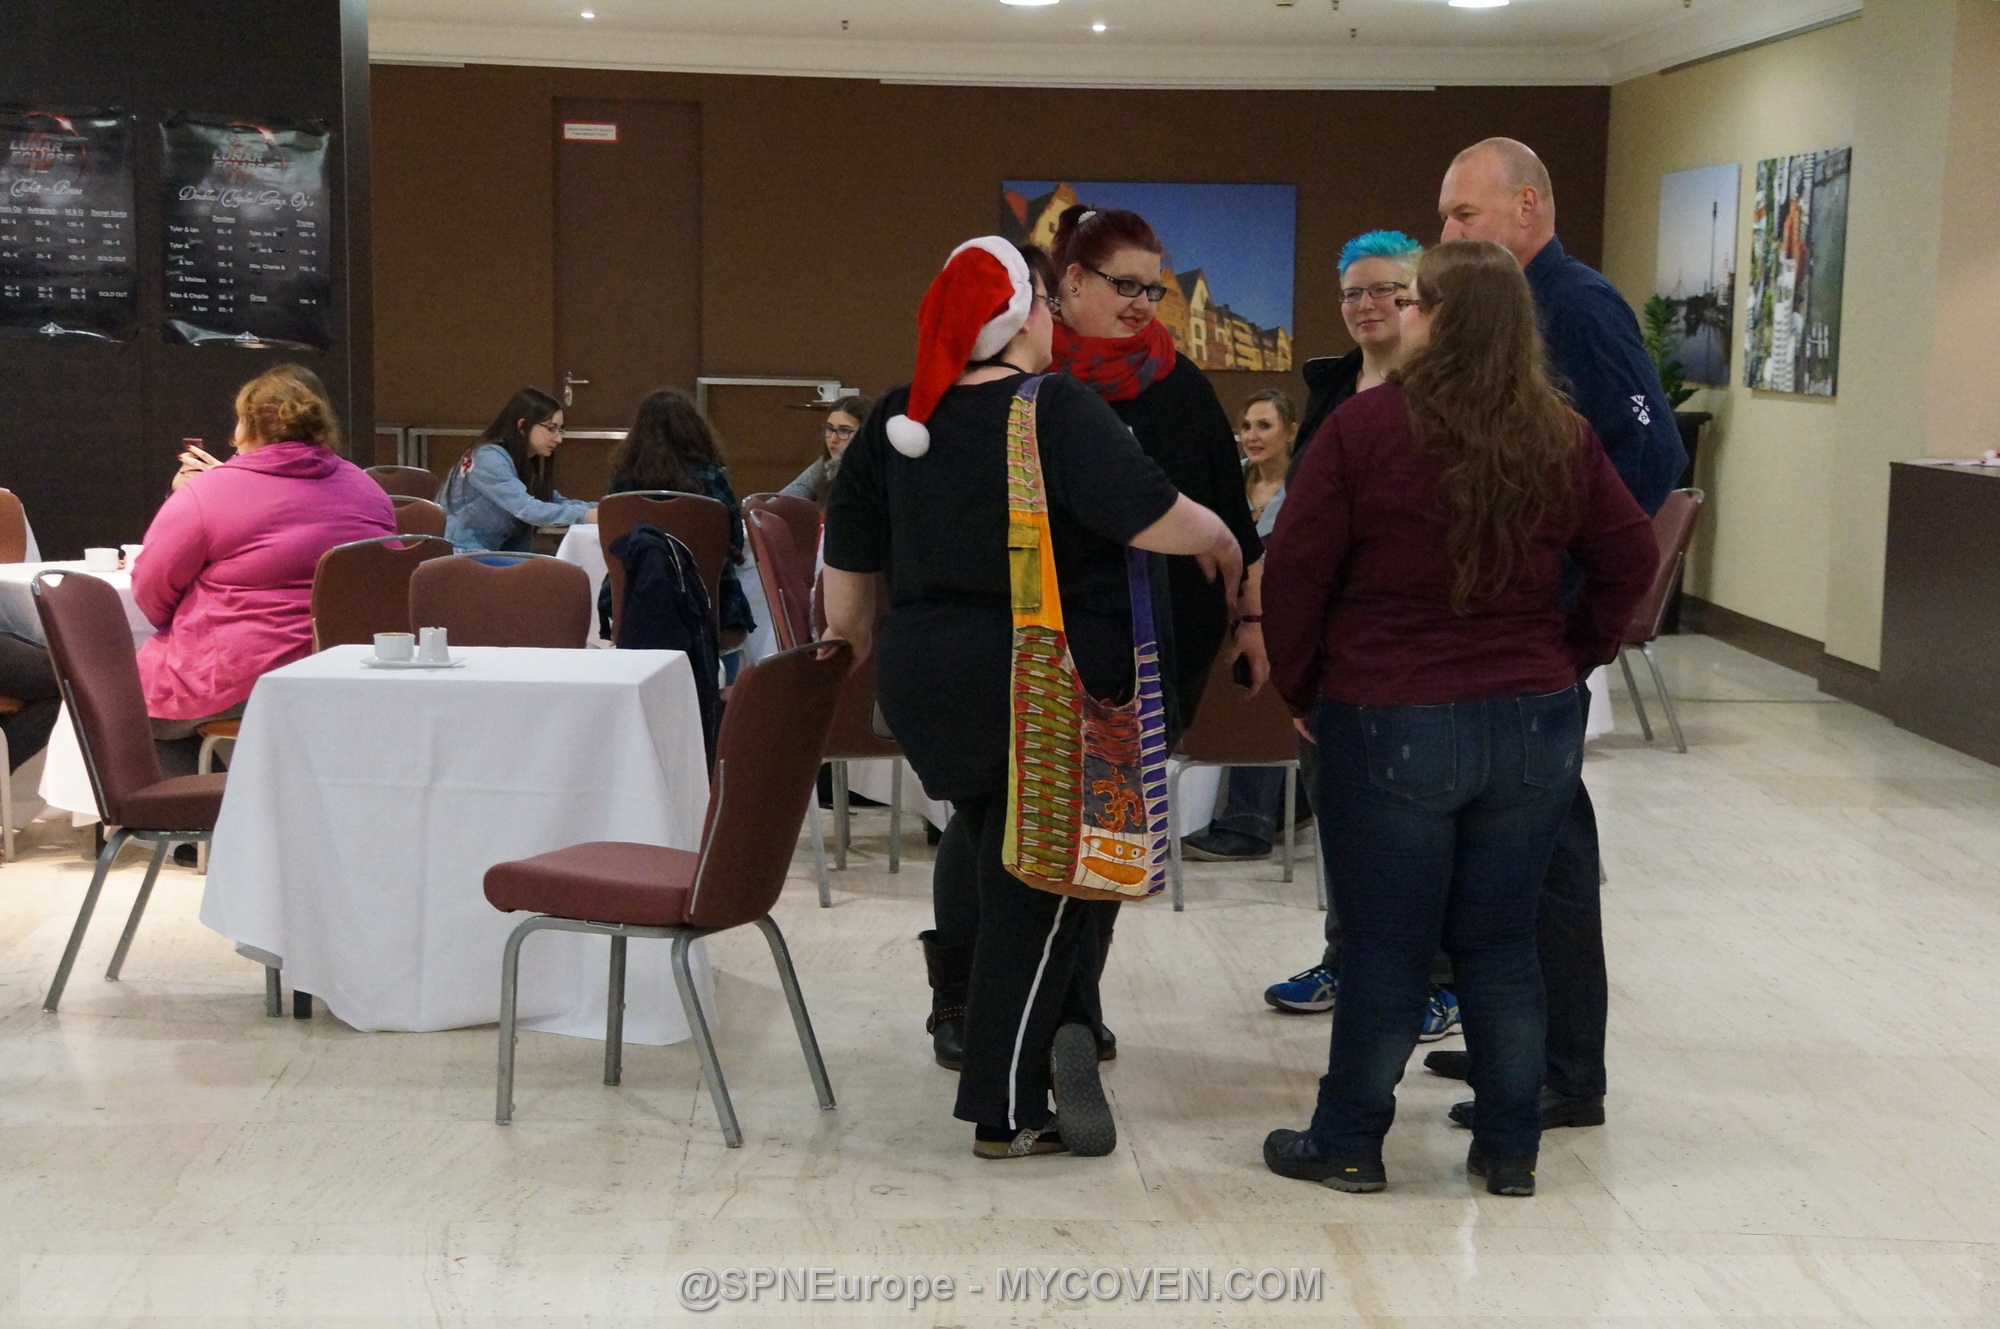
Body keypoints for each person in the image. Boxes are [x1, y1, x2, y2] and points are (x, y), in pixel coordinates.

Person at [823, 237, 1243, 1160]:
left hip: (928, 682)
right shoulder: (1052, 406)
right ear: (1022, 317)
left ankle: (1051, 1031)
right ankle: (1006, 1104)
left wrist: (848, 645)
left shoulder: (897, 416)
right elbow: (1150, 512)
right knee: (1050, 888)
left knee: (1008, 864)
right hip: (1032, 682)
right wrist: (1218, 535)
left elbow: (845, 584)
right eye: (1048, 305)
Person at [1260, 239, 1657, 1197]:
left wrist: (1304, 688)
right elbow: (1632, 558)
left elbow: (1297, 576)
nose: (1402, 316)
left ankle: (1348, 1139)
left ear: (1434, 319)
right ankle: (1511, 1149)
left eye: (1414, 302)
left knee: (1385, 945)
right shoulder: (1560, 434)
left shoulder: (1363, 430)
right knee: (1503, 942)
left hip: (1391, 711)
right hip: (1530, 717)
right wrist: (1572, 655)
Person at [1421, 137, 1687, 1133]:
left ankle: (1568, 1071)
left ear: (1527, 208)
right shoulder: (1507, 313)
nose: (1447, 232)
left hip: (1538, 633)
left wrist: (1564, 576)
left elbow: (1650, 452)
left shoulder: (1575, 306)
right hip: (1500, 635)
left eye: (1465, 214)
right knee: (1505, 854)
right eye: (1444, 217)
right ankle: (1516, 1041)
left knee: (1552, 857)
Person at [1041, 202, 1268, 1059]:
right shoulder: (1028, 382)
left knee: (1113, 828)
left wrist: (1249, 621)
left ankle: (1076, 1005)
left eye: (1152, 289)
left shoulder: (1182, 388)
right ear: (1072, 282)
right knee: (1023, 834)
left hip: (1155, 650)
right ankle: (988, 1003)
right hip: (1043, 647)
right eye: (1123, 285)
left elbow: (1236, 526)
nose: (1141, 304)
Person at [1259, 230, 1442, 1017]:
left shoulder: (1445, 392)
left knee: (1420, 829)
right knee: (1339, 817)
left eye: (1386, 291)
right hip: (1333, 645)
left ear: (1420, 298)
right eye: (1352, 292)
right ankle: (1346, 958)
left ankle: (1434, 979)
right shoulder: (1332, 388)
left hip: (1415, 647)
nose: (1367, 305)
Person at [136, 365, 397, 774]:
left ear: (248, 427)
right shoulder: (369, 491)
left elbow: (150, 590)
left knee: (131, 707)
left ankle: (203, 809)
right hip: (345, 671)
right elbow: (386, 579)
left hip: (242, 674)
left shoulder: (207, 492)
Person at [1180, 389, 1304, 865]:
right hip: (1225, 614)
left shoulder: (1304, 487)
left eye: (1264, 425)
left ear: (1291, 432)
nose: (1252, 435)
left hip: (1281, 621)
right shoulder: (1228, 481)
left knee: (1261, 697)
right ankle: (1282, 807)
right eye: (1246, 426)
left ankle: (1249, 824)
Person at [604, 388, 757, 650]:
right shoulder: (711, 478)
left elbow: (613, 544)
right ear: (695, 430)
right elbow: (734, 540)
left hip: (633, 603)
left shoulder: (622, 483)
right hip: (710, 607)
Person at [438, 388, 594, 553]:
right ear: (522, 426)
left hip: (489, 551)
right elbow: (528, 509)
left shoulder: (523, 461)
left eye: (560, 429)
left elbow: (550, 500)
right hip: (459, 551)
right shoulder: (488, 458)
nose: (558, 438)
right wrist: (586, 515)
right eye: (551, 428)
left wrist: (602, 510)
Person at [781, 394, 872, 507]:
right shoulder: (827, 462)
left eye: (844, 431)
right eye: (829, 428)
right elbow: (784, 500)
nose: (833, 439)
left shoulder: (879, 474)